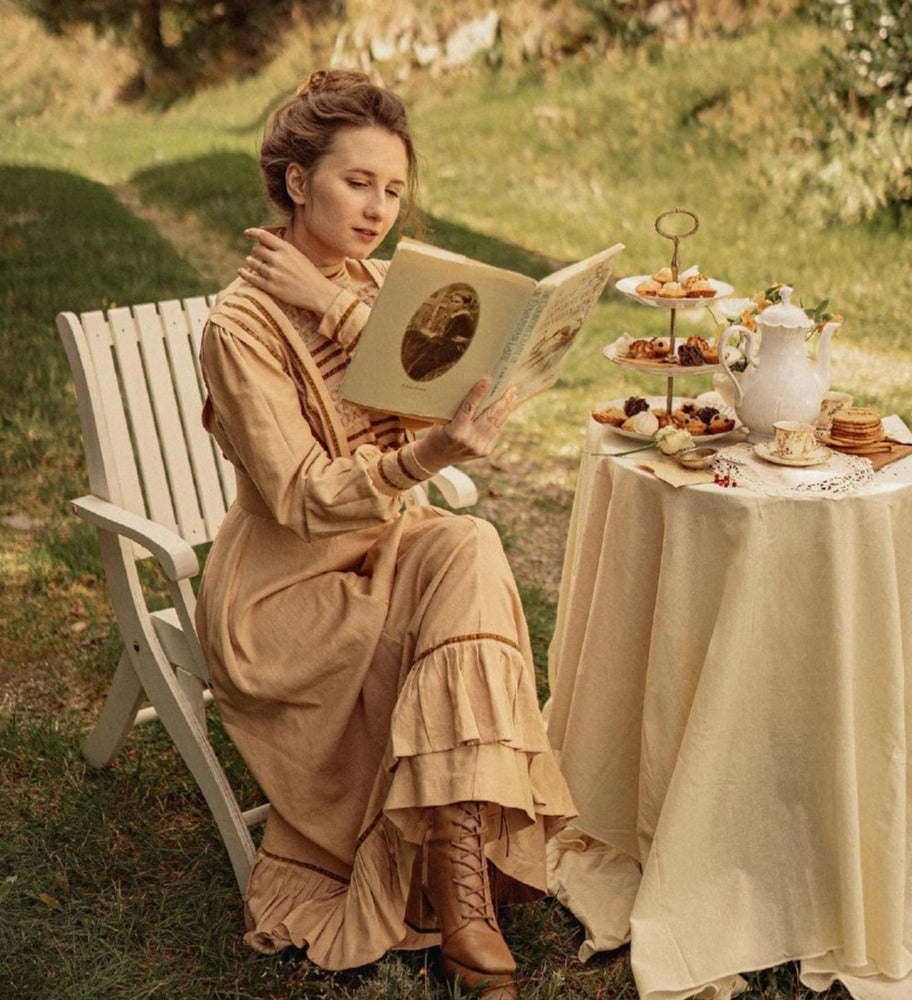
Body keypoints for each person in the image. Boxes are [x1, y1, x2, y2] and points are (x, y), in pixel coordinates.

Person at [194, 69, 576, 999]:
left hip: (383, 553)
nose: (378, 209)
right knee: (464, 553)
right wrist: (427, 453)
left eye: (394, 189)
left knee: (472, 546)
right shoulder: (237, 325)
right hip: (287, 597)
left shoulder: (371, 285)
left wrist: (337, 307)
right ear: (296, 183)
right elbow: (301, 497)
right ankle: (463, 881)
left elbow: (437, 393)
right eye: (356, 181)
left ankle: (457, 875)